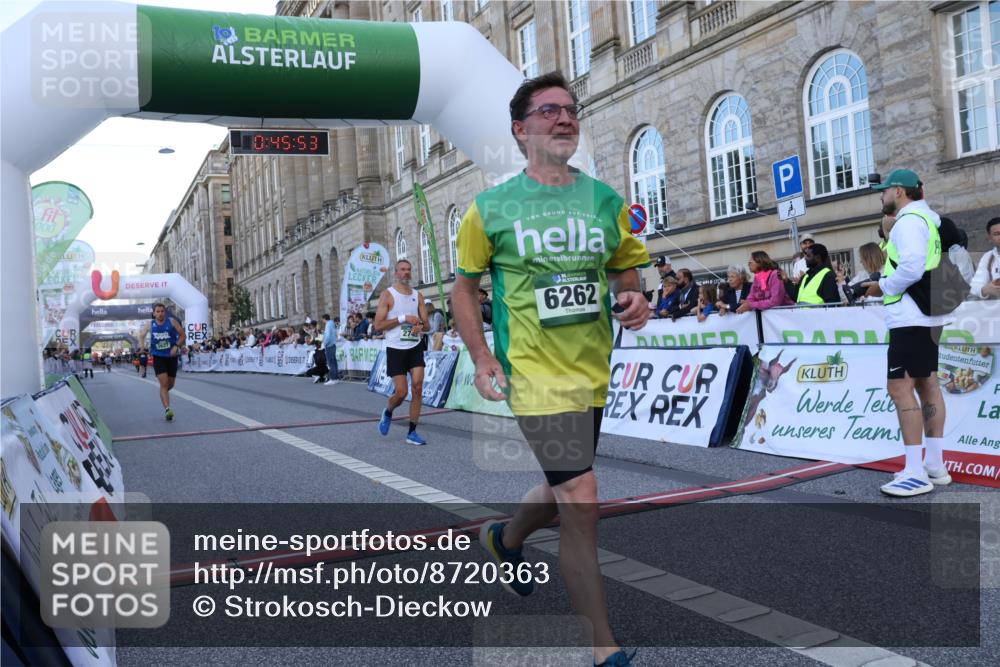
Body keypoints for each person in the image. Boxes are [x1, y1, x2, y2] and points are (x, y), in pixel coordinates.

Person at [452, 72, 649, 667]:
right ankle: (601, 648)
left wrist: (635, 297)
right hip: (533, 374)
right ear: (520, 129)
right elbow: (463, 291)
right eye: (548, 111)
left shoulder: (605, 201)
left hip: (592, 369)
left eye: (570, 110)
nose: (564, 119)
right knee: (582, 494)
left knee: (566, 483)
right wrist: (483, 355)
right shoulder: (489, 209)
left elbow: (627, 270)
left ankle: (504, 538)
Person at [863, 169, 950, 496]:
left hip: (909, 316)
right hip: (927, 316)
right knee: (928, 385)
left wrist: (882, 285)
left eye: (884, 191)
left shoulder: (908, 222)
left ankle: (914, 471)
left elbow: (911, 267)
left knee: (900, 388)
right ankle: (935, 464)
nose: (882, 196)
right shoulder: (928, 220)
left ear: (898, 191)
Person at [373, 259, 430, 446]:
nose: (406, 273)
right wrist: (404, 318)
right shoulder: (387, 295)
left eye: (409, 269)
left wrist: (419, 325)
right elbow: (378, 325)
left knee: (418, 387)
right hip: (395, 348)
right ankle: (389, 411)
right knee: (401, 392)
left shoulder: (418, 295)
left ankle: (412, 432)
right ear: (396, 273)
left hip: (414, 346)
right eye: (402, 270)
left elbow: (427, 325)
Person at [140, 303, 186, 421]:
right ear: (154, 313)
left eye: (162, 311)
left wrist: (176, 346)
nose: (160, 314)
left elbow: (182, 335)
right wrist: (142, 348)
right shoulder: (150, 324)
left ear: (164, 312)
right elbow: (142, 335)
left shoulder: (171, 322)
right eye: (158, 311)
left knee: (170, 385)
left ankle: (163, 392)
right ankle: (167, 409)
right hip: (158, 357)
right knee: (164, 383)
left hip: (172, 356)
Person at [970, 217, 1000, 299]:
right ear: (990, 238)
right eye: (997, 234)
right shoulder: (988, 257)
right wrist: (985, 290)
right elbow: (975, 286)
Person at [322, 313, 339, 385]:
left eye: (322, 319)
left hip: (329, 345)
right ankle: (336, 378)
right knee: (334, 362)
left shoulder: (328, 325)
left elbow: (328, 335)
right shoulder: (332, 324)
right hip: (333, 344)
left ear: (324, 319)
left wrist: (325, 343)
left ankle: (333, 378)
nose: (322, 321)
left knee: (331, 362)